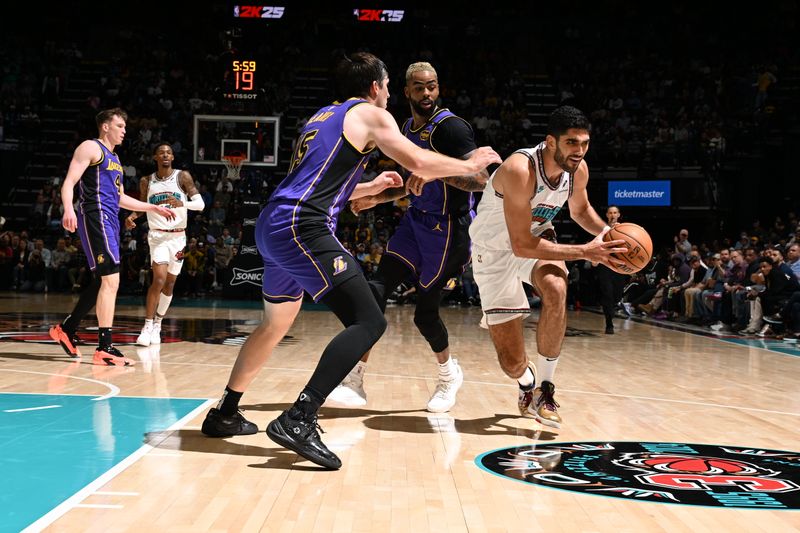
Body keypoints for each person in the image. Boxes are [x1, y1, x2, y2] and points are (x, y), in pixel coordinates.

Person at [200, 52, 501, 469]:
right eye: (390, 85)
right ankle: (300, 417)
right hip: (300, 227)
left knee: (275, 325)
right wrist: (470, 163)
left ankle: (225, 412)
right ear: (376, 86)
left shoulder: (322, 117)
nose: (392, 93)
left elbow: (318, 184)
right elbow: (417, 161)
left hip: (273, 222)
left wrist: (369, 187)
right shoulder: (371, 115)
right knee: (370, 320)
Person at [326, 61, 489, 412]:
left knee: (424, 316)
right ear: (407, 92)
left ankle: (448, 375)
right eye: (419, 87)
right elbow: (408, 182)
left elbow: (480, 180)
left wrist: (435, 173)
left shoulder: (452, 128)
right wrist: (373, 198)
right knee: (375, 292)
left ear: (438, 88)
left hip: (450, 230)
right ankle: (355, 378)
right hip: (415, 222)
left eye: (431, 86)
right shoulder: (404, 127)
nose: (426, 93)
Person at [468, 105, 626, 429]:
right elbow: (519, 244)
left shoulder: (577, 170)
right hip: (495, 252)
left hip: (537, 236)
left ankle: (546, 389)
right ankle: (526, 382)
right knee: (511, 363)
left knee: (556, 288)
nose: (579, 151)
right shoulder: (519, 169)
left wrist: (612, 239)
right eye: (571, 143)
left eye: (584, 143)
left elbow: (580, 210)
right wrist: (585, 251)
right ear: (550, 142)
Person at [49, 108, 174, 366]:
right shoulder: (90, 147)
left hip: (110, 219)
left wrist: (152, 207)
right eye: (119, 125)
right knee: (111, 281)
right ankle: (104, 347)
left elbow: (120, 198)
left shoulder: (115, 159)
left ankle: (67, 329)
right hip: (94, 216)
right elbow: (69, 182)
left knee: (102, 281)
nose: (124, 130)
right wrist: (69, 209)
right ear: (105, 126)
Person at [126, 143, 204, 346]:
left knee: (169, 284)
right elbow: (143, 206)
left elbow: (200, 204)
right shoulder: (147, 181)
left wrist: (183, 203)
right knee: (158, 280)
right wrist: (132, 216)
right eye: (161, 152)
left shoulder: (182, 177)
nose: (166, 155)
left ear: (172, 157)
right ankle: (148, 325)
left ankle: (159, 323)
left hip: (178, 237)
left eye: (169, 152)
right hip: (158, 236)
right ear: (155, 157)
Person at [594, 205, 628, 334]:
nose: (613, 215)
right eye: (610, 213)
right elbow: (596, 244)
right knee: (607, 293)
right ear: (607, 215)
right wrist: (594, 260)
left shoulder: (625, 229)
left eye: (615, 212)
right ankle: (609, 324)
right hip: (605, 264)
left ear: (619, 215)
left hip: (619, 265)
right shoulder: (601, 229)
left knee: (617, 295)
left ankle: (612, 309)